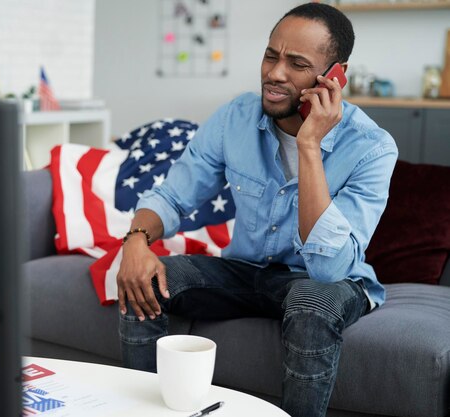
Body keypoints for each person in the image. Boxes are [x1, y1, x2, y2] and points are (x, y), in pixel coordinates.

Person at [116, 3, 398, 417]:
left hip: (327, 282)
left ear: (335, 76)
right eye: (271, 55)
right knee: (149, 278)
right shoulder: (235, 117)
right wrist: (136, 241)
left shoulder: (372, 147)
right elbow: (173, 196)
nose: (275, 73)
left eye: (297, 64)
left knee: (311, 302)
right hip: (248, 272)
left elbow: (328, 270)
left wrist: (309, 146)